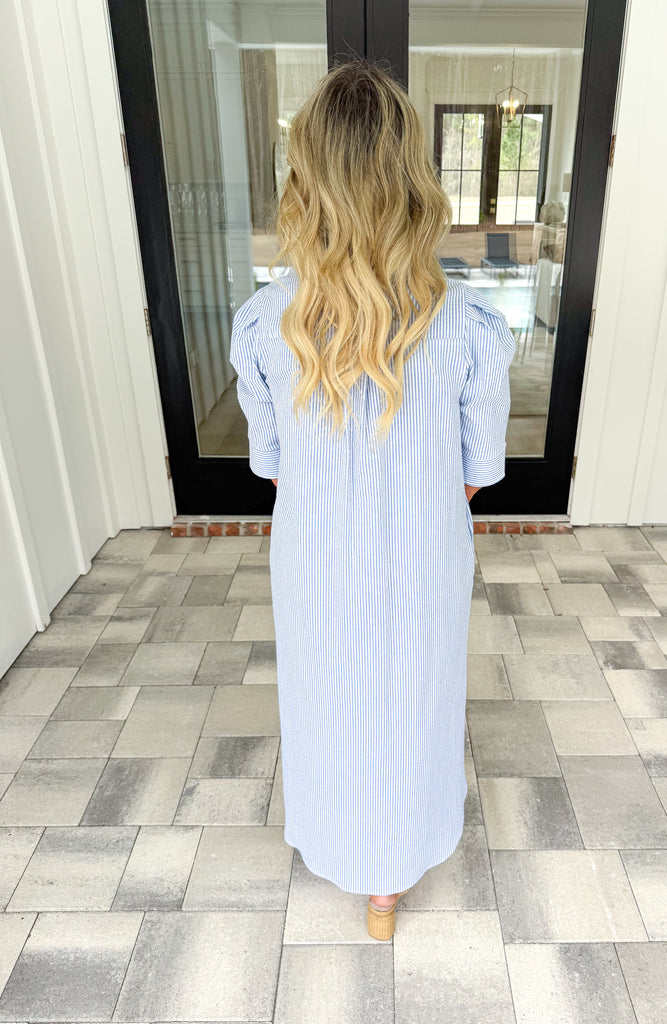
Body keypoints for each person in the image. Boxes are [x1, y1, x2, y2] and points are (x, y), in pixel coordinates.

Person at [229, 57, 516, 941]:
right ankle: (393, 874)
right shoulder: (469, 328)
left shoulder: (265, 327)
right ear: (413, 180)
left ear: (304, 181)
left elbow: (273, 470)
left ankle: (347, 845)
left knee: (326, 695)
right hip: (422, 563)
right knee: (416, 694)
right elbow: (475, 473)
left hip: (316, 562)